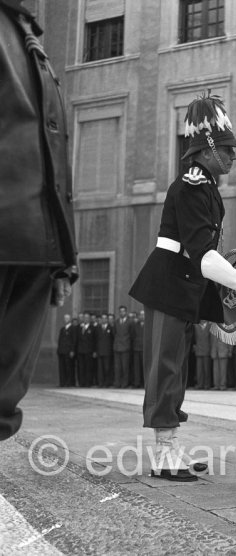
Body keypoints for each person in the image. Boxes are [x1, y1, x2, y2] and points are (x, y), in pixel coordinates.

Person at [129, 92, 236, 481]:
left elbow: (205, 252)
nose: (233, 157)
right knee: (165, 368)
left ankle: (168, 447)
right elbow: (201, 256)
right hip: (169, 285)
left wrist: (229, 263)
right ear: (207, 150)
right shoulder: (191, 185)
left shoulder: (205, 185)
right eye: (227, 150)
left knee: (176, 369)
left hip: (180, 286)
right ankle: (163, 454)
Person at [0, 0, 77, 441]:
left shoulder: (30, 38)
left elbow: (55, 156)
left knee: (4, 398)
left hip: (35, 250)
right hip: (9, 236)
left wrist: (64, 255)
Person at [113, 305, 132, 388]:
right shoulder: (116, 322)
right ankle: (117, 383)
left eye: (123, 311)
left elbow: (132, 334)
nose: (122, 313)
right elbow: (114, 333)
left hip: (125, 347)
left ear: (126, 312)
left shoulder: (130, 322)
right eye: (120, 311)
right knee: (117, 367)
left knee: (125, 367)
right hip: (117, 347)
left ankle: (124, 384)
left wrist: (127, 343)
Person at [76, 312, 97, 387]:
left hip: (89, 351)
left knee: (88, 367)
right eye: (84, 317)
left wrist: (94, 351)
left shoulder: (93, 328)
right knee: (81, 367)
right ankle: (82, 382)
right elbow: (77, 340)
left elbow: (95, 340)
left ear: (89, 319)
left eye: (87, 317)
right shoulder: (79, 327)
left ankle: (88, 383)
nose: (85, 319)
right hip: (80, 350)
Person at [57, 314, 77, 387]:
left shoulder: (73, 329)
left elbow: (74, 340)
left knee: (69, 367)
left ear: (70, 319)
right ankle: (62, 382)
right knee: (62, 368)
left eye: (67, 318)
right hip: (62, 351)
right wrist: (59, 350)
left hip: (68, 351)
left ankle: (69, 382)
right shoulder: (62, 329)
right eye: (65, 318)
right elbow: (60, 340)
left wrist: (72, 350)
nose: (66, 320)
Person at [193, 320, 212, 389]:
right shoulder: (195, 326)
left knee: (207, 369)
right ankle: (200, 384)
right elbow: (193, 338)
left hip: (207, 350)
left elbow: (211, 339)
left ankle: (207, 385)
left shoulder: (210, 326)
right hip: (198, 350)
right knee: (199, 369)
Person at [131, 310, 145, 388]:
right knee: (136, 368)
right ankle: (137, 383)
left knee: (144, 367)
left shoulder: (149, 325)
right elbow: (132, 336)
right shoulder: (135, 325)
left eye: (143, 315)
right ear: (139, 316)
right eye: (141, 315)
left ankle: (144, 383)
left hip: (145, 349)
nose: (142, 317)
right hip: (136, 348)